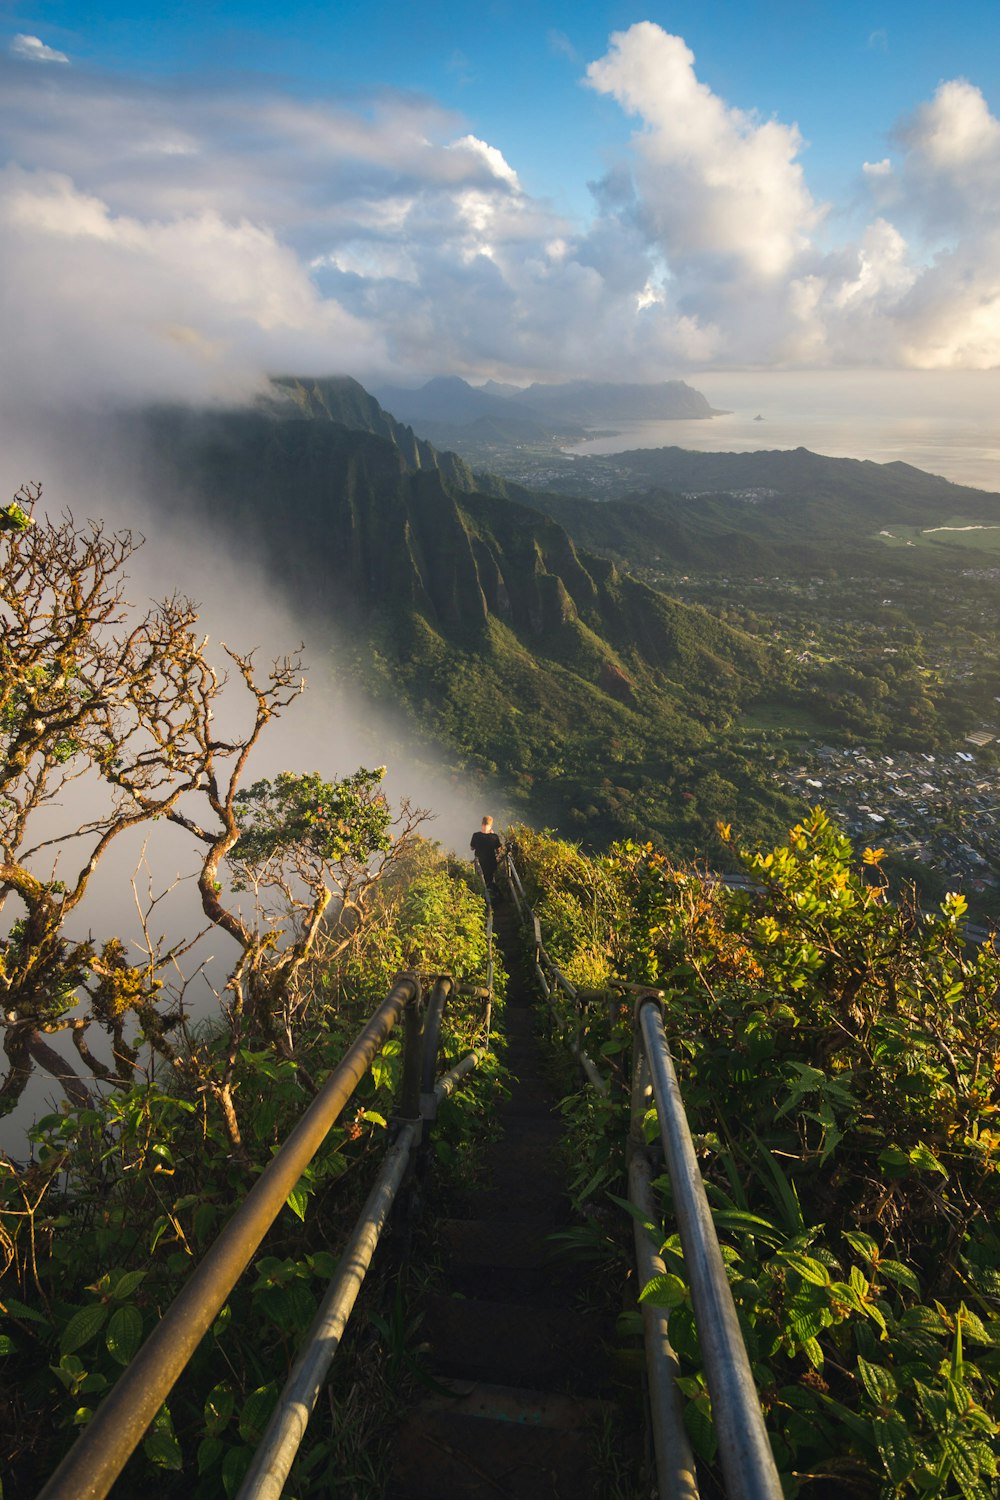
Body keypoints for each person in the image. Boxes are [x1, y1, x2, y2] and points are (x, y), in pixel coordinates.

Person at [470, 815, 503, 892]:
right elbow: (498, 850)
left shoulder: (476, 835)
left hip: (479, 864)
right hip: (491, 864)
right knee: (490, 880)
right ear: (491, 825)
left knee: (480, 880)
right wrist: (492, 835)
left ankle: (482, 894)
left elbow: (472, 848)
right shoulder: (494, 837)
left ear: (482, 824)